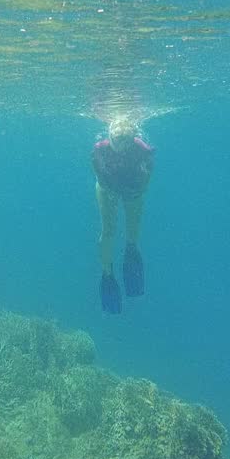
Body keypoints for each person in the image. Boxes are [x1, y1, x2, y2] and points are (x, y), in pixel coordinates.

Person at [92, 118, 153, 314]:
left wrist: (135, 190)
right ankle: (107, 274)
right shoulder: (100, 148)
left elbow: (147, 175)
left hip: (133, 188)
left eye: (124, 140)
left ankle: (131, 250)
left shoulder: (142, 149)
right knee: (108, 230)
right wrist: (110, 189)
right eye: (115, 139)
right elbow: (96, 169)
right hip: (107, 187)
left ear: (132, 137)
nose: (119, 145)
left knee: (132, 232)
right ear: (109, 135)